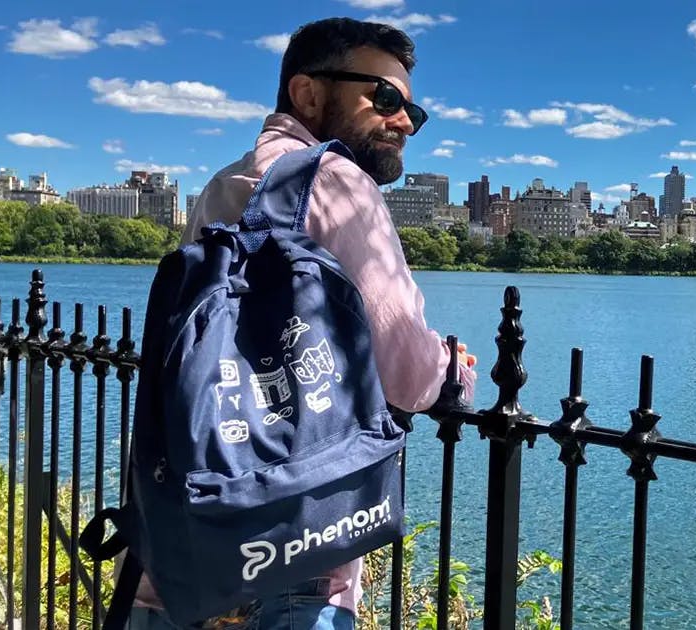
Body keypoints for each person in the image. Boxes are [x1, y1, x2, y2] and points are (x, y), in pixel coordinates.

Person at [128, 16, 477, 630]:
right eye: (386, 98)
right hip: (297, 558)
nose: (403, 122)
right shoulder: (338, 180)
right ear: (308, 93)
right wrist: (454, 370)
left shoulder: (223, 184)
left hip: (184, 550)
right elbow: (407, 373)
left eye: (412, 113)